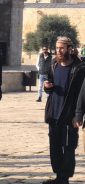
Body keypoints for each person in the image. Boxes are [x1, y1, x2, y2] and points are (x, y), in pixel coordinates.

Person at [41, 36, 85, 184]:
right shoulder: (53, 64)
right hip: (53, 113)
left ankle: (64, 177)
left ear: (69, 49)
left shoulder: (79, 68)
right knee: (54, 146)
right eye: (57, 48)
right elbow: (50, 84)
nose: (58, 51)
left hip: (69, 114)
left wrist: (78, 115)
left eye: (61, 48)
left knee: (68, 146)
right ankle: (58, 175)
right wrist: (47, 87)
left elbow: (81, 93)